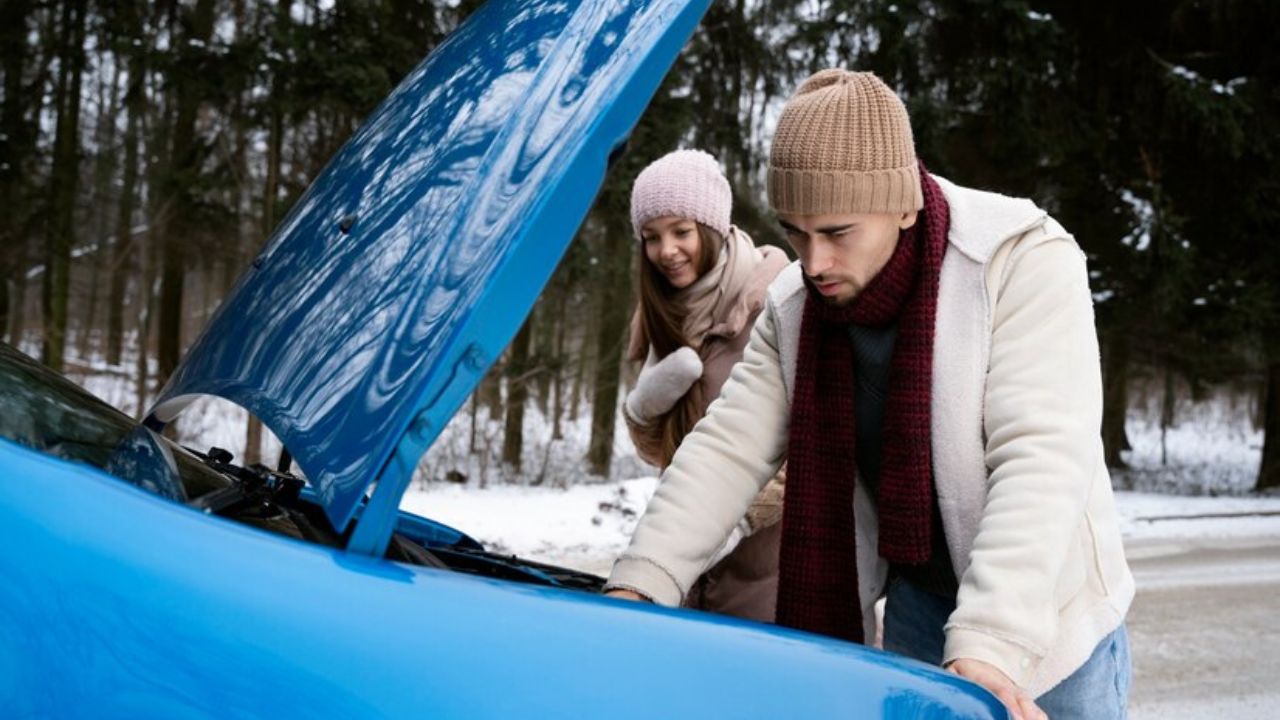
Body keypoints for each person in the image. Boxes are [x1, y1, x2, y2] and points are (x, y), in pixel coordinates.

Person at [604, 71, 1134, 720]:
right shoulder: (797, 307)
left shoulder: (1019, 260)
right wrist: (643, 582)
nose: (813, 261)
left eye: (836, 232)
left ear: (903, 205)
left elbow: (1041, 459)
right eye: (796, 234)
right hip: (920, 604)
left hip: (1044, 616)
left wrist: (991, 645)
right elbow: (725, 449)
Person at [619, 149, 789, 623]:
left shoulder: (775, 309)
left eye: (681, 231)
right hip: (687, 570)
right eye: (651, 238)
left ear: (711, 228)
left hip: (764, 576)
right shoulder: (659, 317)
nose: (665, 251)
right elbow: (661, 455)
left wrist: (729, 519)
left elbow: (807, 452)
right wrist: (642, 413)